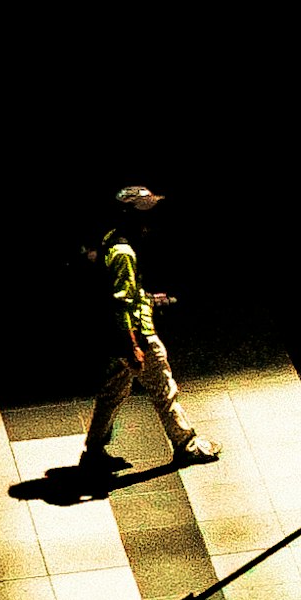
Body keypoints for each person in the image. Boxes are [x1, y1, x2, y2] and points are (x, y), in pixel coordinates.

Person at [81, 185, 218, 476]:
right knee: (163, 388)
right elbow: (120, 303)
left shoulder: (111, 241)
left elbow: (121, 293)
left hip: (118, 336)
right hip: (137, 335)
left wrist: (149, 299)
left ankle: (93, 451)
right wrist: (133, 346)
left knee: (113, 392)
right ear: (129, 216)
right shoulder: (124, 253)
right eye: (145, 214)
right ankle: (186, 443)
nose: (151, 220)